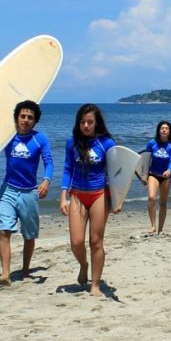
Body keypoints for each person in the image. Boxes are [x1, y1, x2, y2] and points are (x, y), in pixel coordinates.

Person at [60, 104, 118, 296]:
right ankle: (84, 265)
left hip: (99, 195)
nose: (86, 125)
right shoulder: (72, 143)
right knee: (76, 242)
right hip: (77, 194)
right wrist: (63, 196)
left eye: (90, 122)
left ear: (96, 123)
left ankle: (95, 285)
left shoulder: (107, 144)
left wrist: (118, 200)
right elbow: (68, 169)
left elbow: (116, 173)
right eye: (82, 122)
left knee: (96, 242)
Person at [0, 100, 53, 286]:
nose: (26, 120)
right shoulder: (7, 138)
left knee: (29, 235)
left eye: (30, 117)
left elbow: (49, 162)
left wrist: (46, 180)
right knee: (4, 231)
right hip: (8, 189)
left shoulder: (39, 139)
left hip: (29, 192)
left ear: (35, 121)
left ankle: (26, 269)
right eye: (22, 116)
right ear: (16, 118)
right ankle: (5, 274)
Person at [143, 121, 171, 234]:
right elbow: (145, 160)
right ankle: (153, 226)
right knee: (151, 198)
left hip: (166, 177)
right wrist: (144, 175)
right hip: (153, 175)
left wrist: (169, 170)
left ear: (169, 131)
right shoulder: (151, 143)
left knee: (163, 203)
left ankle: (160, 229)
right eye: (162, 128)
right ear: (158, 131)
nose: (164, 130)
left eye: (166, 128)